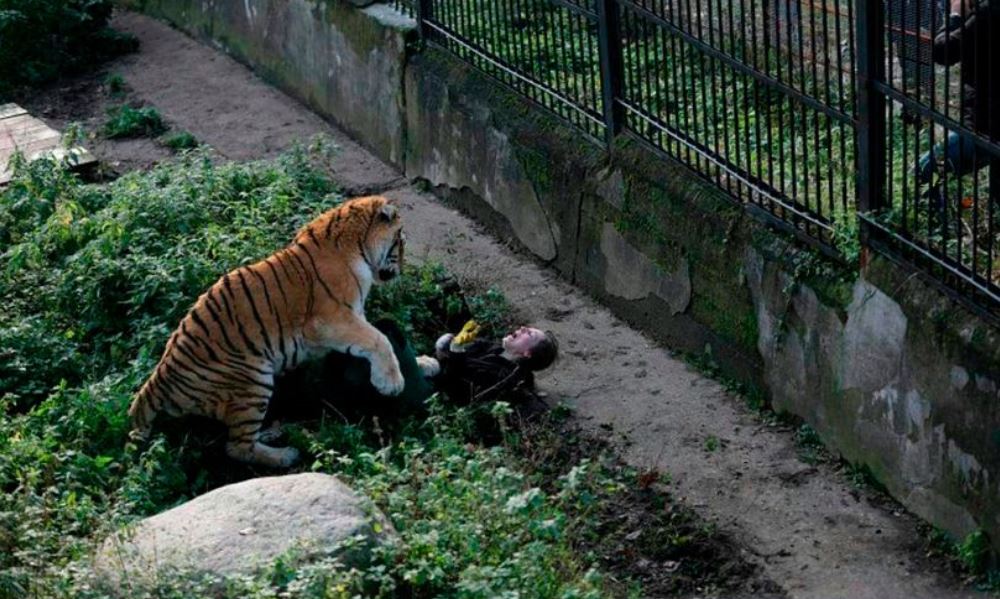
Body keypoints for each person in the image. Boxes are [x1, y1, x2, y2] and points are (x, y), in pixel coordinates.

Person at [917, 0, 999, 213]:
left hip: (985, 129)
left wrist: (955, 15)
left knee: (925, 170)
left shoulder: (988, 14)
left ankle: (935, 236)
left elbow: (943, 52)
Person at [420, 320, 560, 405]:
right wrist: (455, 343)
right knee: (445, 340)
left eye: (529, 334)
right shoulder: (497, 348)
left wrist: (455, 351)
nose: (523, 328)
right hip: (436, 374)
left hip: (433, 395)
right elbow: (461, 354)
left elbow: (458, 389)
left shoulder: (505, 377)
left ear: (527, 353)